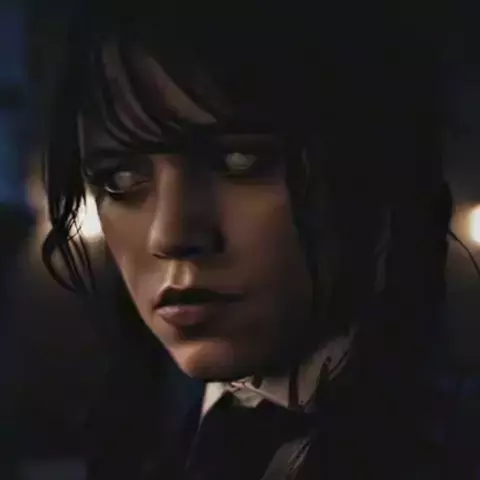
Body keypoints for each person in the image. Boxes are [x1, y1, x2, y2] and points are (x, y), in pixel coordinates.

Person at [41, 1, 453, 478]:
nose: (170, 235)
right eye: (120, 179)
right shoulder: (149, 447)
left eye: (239, 161)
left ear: (372, 167)